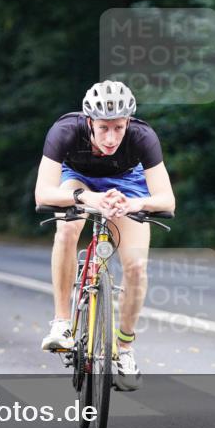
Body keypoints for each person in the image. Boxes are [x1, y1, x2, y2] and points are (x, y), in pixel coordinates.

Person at [34, 80, 175, 391]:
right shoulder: (65, 131)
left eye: (119, 127)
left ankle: (124, 348)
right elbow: (42, 193)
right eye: (103, 128)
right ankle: (62, 323)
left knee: (137, 267)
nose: (112, 138)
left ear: (128, 123)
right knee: (67, 228)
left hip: (128, 184)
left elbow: (167, 199)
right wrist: (85, 199)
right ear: (89, 123)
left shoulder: (143, 136)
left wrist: (135, 204)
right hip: (78, 180)